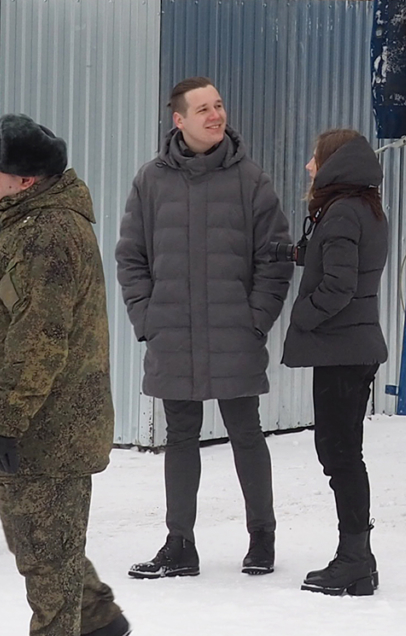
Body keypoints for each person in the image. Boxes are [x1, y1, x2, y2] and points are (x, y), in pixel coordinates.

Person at [0, 115, 132, 636]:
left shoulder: (47, 235)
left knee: (45, 550)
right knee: (43, 538)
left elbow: (39, 336)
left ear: (26, 181)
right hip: (38, 420)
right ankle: (97, 619)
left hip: (47, 425)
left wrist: (5, 417)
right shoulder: (29, 226)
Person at [116, 78, 293, 580]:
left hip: (234, 332)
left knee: (245, 433)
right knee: (180, 436)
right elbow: (131, 257)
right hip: (172, 332)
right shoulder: (150, 181)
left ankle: (262, 538)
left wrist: (255, 319)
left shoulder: (250, 181)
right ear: (180, 120)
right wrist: (147, 317)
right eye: (203, 109)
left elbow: (275, 260)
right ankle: (180, 544)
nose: (216, 115)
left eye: (219, 106)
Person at [281, 128, 390, 597]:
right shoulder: (361, 206)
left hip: (343, 349)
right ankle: (357, 559)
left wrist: (301, 316)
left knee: (340, 455)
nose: (309, 166)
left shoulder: (343, 210)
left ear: (335, 163)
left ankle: (355, 559)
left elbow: (339, 286)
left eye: (314, 157)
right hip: (351, 348)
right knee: (342, 453)